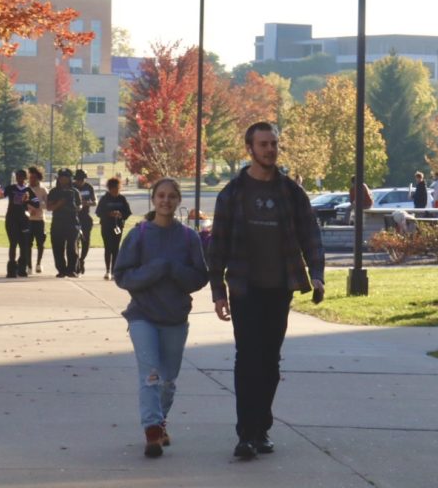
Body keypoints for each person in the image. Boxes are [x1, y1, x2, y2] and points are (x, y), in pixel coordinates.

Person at [210, 121, 325, 461]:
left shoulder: (290, 192)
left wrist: (316, 274)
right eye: (263, 144)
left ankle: (261, 428)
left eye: (273, 143)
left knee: (270, 361)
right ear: (250, 149)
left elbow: (311, 235)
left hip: (280, 288)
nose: (270, 150)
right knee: (247, 359)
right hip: (245, 288)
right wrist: (218, 292)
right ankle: (246, 434)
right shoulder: (232, 193)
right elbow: (216, 247)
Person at [114, 177, 208, 458]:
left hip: (175, 317)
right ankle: (152, 429)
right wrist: (155, 269)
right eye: (161, 196)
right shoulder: (139, 234)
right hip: (143, 315)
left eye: (171, 196)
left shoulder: (189, 238)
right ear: (153, 199)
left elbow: (199, 277)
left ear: (179, 201)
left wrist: (174, 270)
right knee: (151, 375)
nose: (166, 201)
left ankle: (160, 419)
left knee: (168, 379)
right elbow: (122, 276)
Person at [0, 169, 34, 277]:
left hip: (24, 219)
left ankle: (22, 269)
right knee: (13, 243)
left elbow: (36, 203)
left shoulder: (28, 190)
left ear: (25, 178)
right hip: (12, 218)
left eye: (21, 177)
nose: (19, 179)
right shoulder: (11, 188)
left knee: (24, 244)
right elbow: (1, 196)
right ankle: (11, 269)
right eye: (17, 177)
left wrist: (28, 200)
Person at [47, 168, 82, 277]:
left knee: (72, 247)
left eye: (66, 178)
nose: (63, 180)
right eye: (61, 178)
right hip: (58, 222)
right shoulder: (54, 191)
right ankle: (61, 270)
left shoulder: (75, 191)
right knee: (58, 247)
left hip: (72, 222)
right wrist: (60, 203)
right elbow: (49, 207)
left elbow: (80, 205)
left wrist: (75, 207)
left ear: (69, 179)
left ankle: (71, 270)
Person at [96, 177, 132, 280]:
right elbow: (98, 212)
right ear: (109, 188)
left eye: (118, 188)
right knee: (108, 248)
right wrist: (109, 214)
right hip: (106, 226)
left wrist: (121, 214)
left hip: (118, 226)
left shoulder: (122, 199)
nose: (116, 191)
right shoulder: (104, 199)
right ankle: (107, 271)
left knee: (116, 248)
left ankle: (114, 271)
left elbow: (128, 212)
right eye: (114, 189)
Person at [73, 169, 97, 275]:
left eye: (82, 179)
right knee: (74, 241)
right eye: (78, 179)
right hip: (74, 217)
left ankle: (82, 259)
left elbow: (95, 201)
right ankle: (76, 261)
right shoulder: (72, 187)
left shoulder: (89, 187)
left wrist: (87, 203)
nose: (80, 181)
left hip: (85, 217)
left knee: (85, 241)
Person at [25, 167, 48, 274]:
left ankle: (38, 264)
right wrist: (29, 209)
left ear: (38, 178)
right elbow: (22, 203)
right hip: (28, 220)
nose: (32, 179)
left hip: (39, 220)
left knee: (40, 243)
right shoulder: (25, 189)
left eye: (34, 177)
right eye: (30, 177)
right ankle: (28, 266)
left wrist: (37, 207)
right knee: (27, 244)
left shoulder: (43, 190)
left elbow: (47, 204)